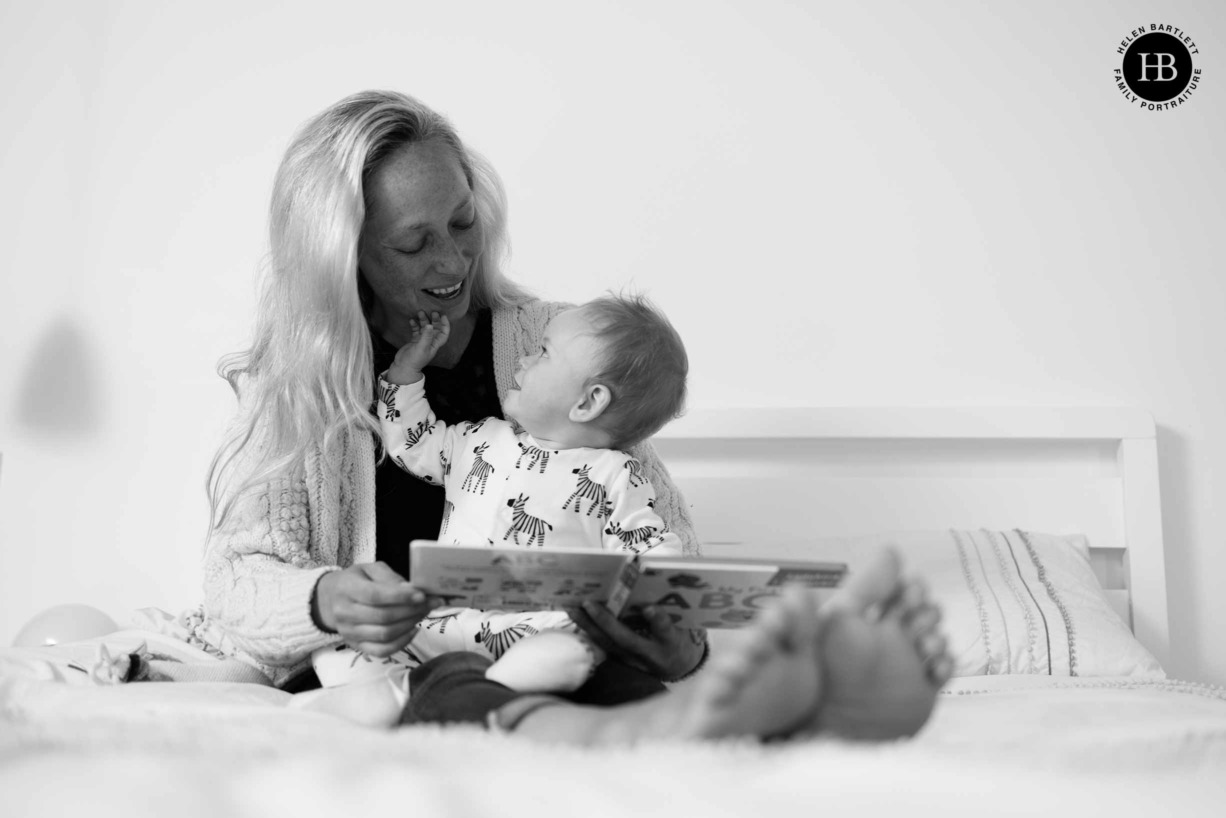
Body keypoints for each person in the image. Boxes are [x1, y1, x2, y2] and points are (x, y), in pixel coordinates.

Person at [190, 88, 953, 744]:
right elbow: (234, 584)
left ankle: (787, 691)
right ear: (344, 254)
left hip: (561, 657)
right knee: (431, 689)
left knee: (614, 682)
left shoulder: (564, 348)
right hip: (415, 663)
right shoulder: (296, 388)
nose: (453, 264)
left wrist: (674, 645)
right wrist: (327, 598)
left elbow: (659, 542)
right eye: (414, 245)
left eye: (462, 223)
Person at [317, 294, 688, 694]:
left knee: (575, 642)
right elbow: (414, 442)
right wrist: (406, 370)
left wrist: (655, 596)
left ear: (588, 401)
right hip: (447, 620)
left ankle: (503, 683)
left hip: (538, 625)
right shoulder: (480, 438)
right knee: (373, 642)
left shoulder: (616, 475)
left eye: (544, 352)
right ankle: (388, 693)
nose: (525, 359)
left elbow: (651, 549)